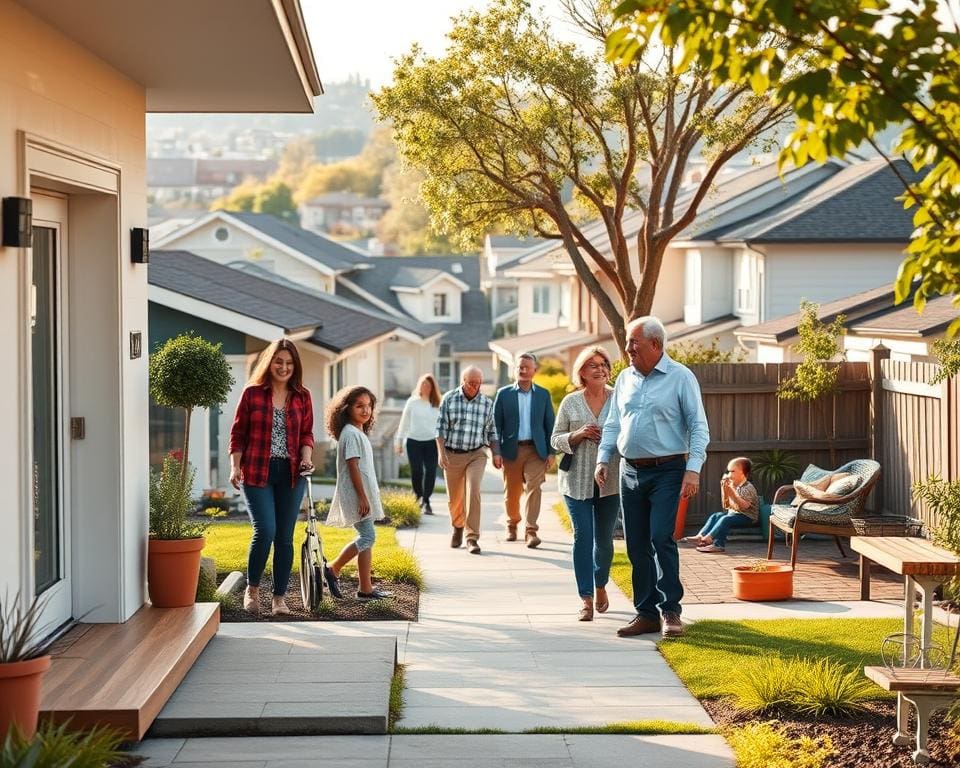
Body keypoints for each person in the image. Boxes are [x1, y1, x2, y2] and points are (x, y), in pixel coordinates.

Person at [595, 316, 709, 639]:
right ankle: (645, 613)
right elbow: (614, 423)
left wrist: (693, 469)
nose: (628, 348)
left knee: (661, 537)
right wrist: (604, 459)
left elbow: (699, 427)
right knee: (636, 545)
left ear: (655, 344)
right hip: (629, 471)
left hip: (668, 471)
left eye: (634, 343)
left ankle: (670, 611)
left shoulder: (681, 378)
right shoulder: (625, 380)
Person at [229, 339, 315, 617]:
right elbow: (237, 434)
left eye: (289, 363)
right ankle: (252, 589)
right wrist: (235, 467)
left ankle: (278, 598)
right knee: (265, 530)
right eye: (279, 361)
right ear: (270, 362)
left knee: (285, 537)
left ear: (295, 366)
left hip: (291, 474)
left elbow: (307, 434)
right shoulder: (252, 393)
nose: (284, 367)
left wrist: (307, 456)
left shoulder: (303, 395)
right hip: (257, 470)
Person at [551, 346, 621, 621]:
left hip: (610, 481)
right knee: (583, 538)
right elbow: (555, 439)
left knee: (604, 541)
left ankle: (601, 584)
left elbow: (629, 432)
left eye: (604, 364)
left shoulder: (618, 398)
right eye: (593, 365)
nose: (601, 369)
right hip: (576, 482)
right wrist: (577, 434)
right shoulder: (571, 402)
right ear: (581, 371)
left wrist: (611, 437)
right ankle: (586, 599)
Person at [323, 385, 393, 602]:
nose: (365, 410)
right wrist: (362, 497)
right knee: (368, 536)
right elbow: (352, 466)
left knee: (367, 539)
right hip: (357, 495)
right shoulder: (351, 434)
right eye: (359, 406)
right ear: (346, 408)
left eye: (369, 406)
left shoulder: (356, 431)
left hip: (362, 494)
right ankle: (333, 568)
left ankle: (365, 588)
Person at [494, 352, 556, 548]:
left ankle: (531, 531)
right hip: (511, 450)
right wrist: (496, 452)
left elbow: (550, 425)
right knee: (512, 492)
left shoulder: (543, 395)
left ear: (534, 371)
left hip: (536, 451)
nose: (523, 370)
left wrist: (552, 451)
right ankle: (512, 524)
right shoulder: (503, 394)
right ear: (515, 370)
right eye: (519, 367)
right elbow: (495, 425)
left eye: (526, 367)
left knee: (534, 488)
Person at [436, 366, 500, 555]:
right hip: (452, 453)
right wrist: (441, 453)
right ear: (463, 381)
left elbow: (492, 430)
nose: (475, 386)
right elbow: (440, 429)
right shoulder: (449, 398)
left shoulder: (486, 403)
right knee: (455, 498)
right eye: (471, 383)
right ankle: (457, 526)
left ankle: (472, 537)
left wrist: (496, 453)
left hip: (476, 454)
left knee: (473, 490)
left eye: (478, 383)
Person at [682, 457, 759, 553]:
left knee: (725, 519)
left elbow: (744, 507)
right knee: (716, 515)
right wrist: (725, 489)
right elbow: (726, 505)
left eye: (732, 471)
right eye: (728, 471)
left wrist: (731, 492)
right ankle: (700, 536)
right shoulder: (734, 485)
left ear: (743, 473)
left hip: (747, 517)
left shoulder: (747, 487)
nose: (729, 474)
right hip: (734, 513)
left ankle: (714, 543)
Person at [395, 374, 442, 515]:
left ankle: (426, 501)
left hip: (432, 443)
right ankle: (418, 496)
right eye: (423, 384)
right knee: (417, 471)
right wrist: (399, 441)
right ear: (419, 386)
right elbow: (404, 423)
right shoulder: (412, 402)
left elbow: (442, 425)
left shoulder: (437, 404)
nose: (425, 387)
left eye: (428, 385)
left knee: (431, 472)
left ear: (432, 388)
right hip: (413, 442)